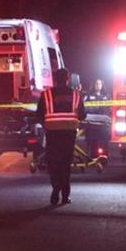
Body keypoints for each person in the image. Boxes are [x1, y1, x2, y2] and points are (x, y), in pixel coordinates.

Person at [35, 68, 87, 205]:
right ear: (68, 78)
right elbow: (82, 115)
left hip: (52, 133)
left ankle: (56, 186)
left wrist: (47, 124)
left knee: (53, 163)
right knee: (65, 164)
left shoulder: (46, 95)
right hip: (69, 133)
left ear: (55, 78)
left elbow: (39, 115)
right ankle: (65, 195)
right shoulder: (76, 95)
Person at [84, 79, 111, 156]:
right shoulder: (88, 95)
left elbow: (110, 108)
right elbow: (84, 107)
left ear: (102, 85)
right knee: (92, 141)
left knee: (104, 140)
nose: (98, 85)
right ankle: (92, 155)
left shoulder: (107, 96)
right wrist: (93, 108)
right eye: (96, 83)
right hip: (91, 123)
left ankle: (104, 156)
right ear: (93, 85)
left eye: (99, 84)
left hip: (104, 123)